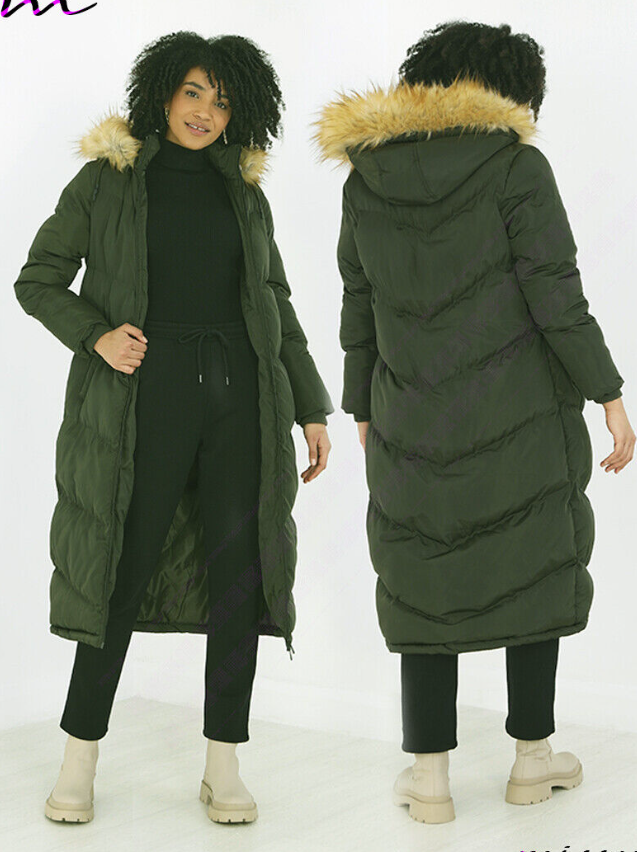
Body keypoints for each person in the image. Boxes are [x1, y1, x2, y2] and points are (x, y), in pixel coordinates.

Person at [312, 20, 634, 824]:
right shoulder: (516, 167)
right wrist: (606, 392)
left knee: (420, 577)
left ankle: (429, 777)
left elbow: (358, 303)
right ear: (510, 94)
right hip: (517, 410)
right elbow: (555, 293)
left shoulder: (366, 176)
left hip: (408, 414)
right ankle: (531, 762)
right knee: (532, 563)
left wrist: (361, 403)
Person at [14, 31, 333, 825]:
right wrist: (96, 335)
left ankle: (223, 765)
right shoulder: (107, 180)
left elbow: (275, 304)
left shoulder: (243, 193)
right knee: (117, 574)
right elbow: (38, 279)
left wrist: (309, 405)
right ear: (161, 93)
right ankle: (79, 758)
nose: (205, 113)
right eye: (193, 92)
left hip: (239, 402)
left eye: (222, 102)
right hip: (144, 401)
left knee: (237, 579)